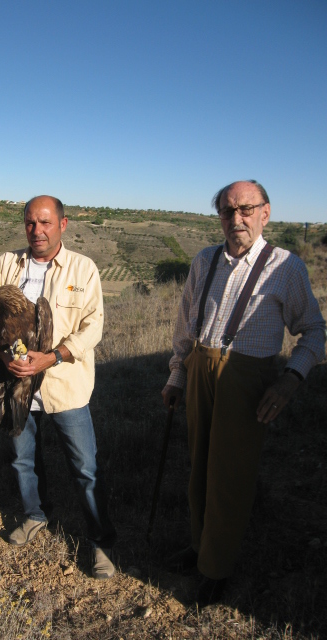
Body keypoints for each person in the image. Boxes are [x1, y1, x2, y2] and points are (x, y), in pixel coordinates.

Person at [161, 180, 325, 605]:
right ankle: (199, 548)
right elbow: (185, 325)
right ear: (219, 216)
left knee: (230, 474)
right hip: (200, 366)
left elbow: (314, 332)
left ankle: (216, 569)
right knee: (200, 464)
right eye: (228, 211)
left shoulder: (286, 267)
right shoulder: (204, 260)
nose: (237, 219)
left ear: (265, 213)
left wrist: (291, 379)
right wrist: (177, 375)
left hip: (246, 377)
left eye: (246, 209)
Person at [0, 195, 117, 579]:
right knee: (23, 459)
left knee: (86, 467)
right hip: (14, 386)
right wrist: (2, 356)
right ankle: (35, 514)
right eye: (31, 222)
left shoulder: (83, 269)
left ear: (62, 225)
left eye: (46, 222)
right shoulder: (5, 265)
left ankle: (100, 541)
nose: (38, 230)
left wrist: (52, 358)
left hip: (65, 386)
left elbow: (93, 326)